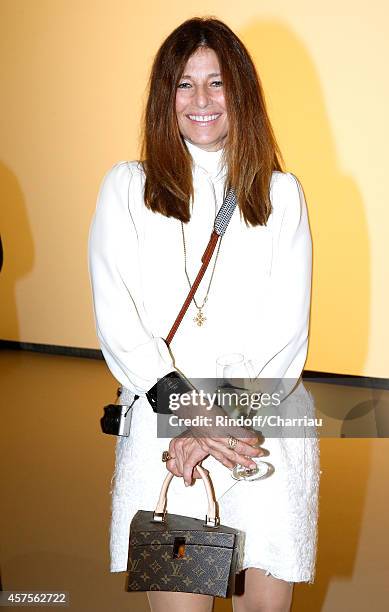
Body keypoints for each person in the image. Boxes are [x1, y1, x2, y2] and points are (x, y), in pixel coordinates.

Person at [88, 16, 320, 612]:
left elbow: (285, 338)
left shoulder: (282, 195)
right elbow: (120, 322)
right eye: (184, 84)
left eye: (216, 82)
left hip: (259, 432)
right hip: (170, 433)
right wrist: (195, 421)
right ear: (164, 98)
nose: (201, 100)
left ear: (241, 92)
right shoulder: (127, 189)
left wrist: (223, 424)